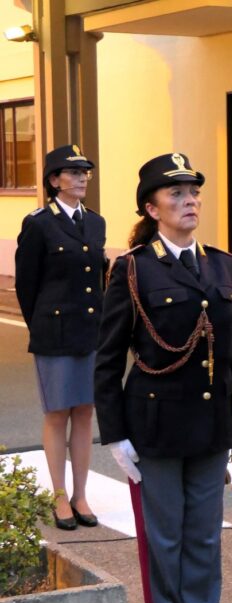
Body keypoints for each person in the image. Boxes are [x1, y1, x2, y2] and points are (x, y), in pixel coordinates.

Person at [94, 153, 232, 603]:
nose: (189, 199)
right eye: (175, 194)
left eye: (193, 191)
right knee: (165, 542)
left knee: (205, 542)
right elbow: (108, 358)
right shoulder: (132, 268)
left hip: (211, 426)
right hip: (155, 427)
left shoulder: (221, 263)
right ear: (152, 208)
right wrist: (115, 435)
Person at [15, 144, 105, 531]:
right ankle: (59, 496)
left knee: (85, 411)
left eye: (85, 171)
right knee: (56, 414)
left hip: (90, 331)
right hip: (54, 331)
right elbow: (26, 286)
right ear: (55, 181)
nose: (82, 177)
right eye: (73, 172)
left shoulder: (96, 222)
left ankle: (82, 494)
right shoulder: (39, 223)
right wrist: (41, 327)